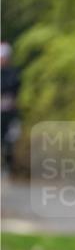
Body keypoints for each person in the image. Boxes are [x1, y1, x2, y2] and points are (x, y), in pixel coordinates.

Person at [0, 42, 21, 175]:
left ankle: (7, 167)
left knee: (9, 140)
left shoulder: (13, 74)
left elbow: (14, 88)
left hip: (9, 112)